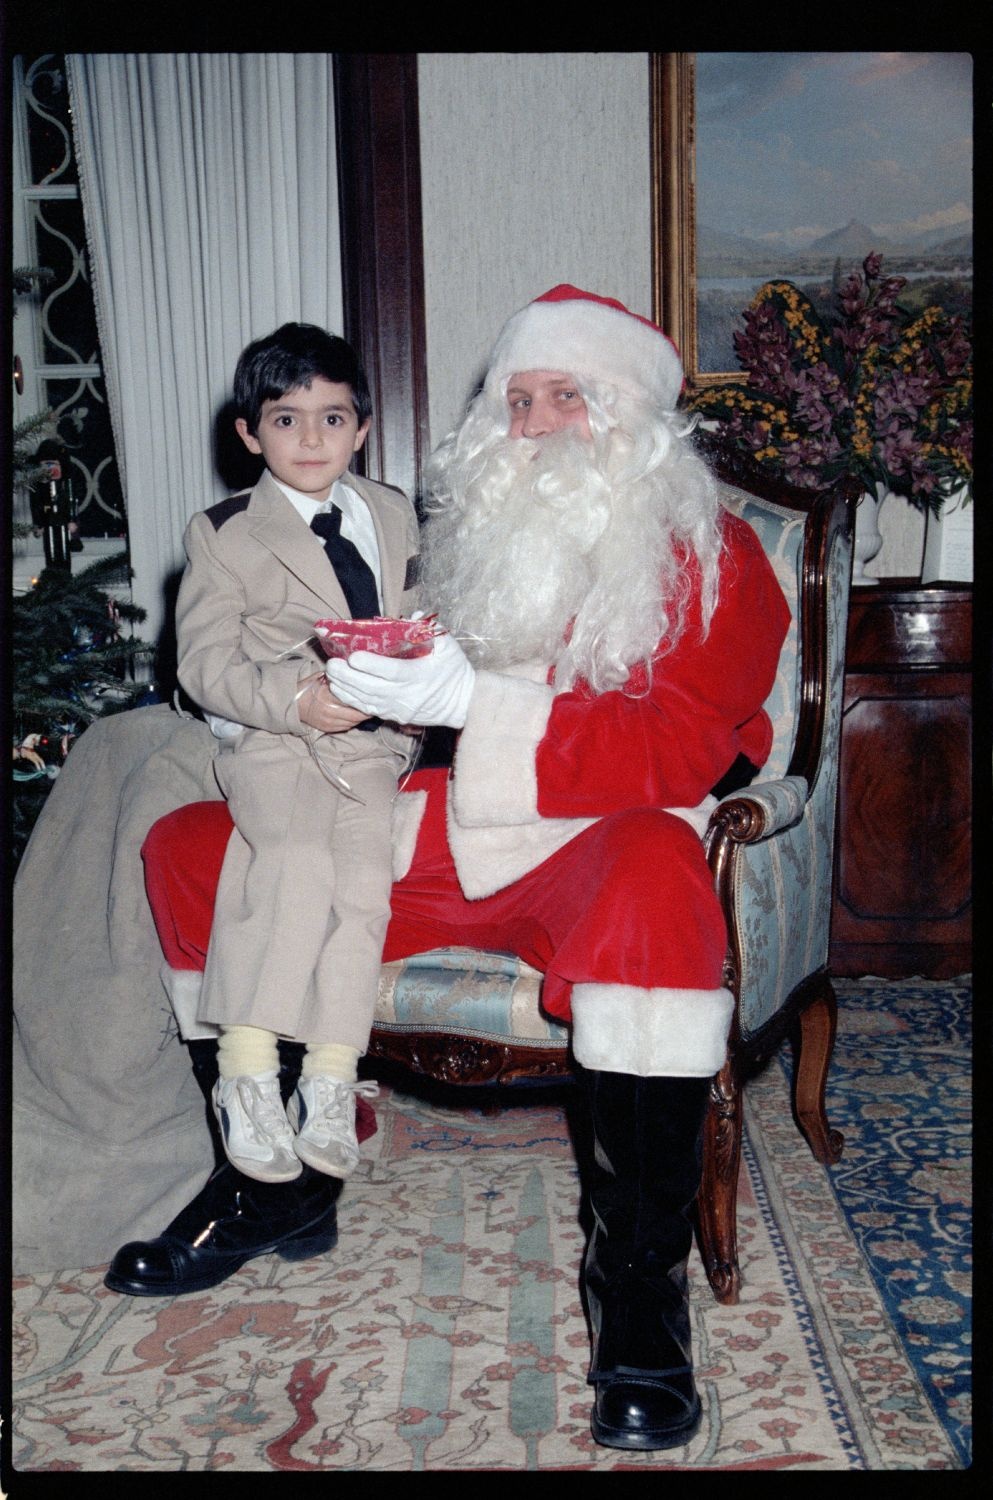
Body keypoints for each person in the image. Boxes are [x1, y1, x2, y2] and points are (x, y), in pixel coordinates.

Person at [106, 286, 790, 1453]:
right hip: (446, 826)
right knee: (191, 852)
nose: (531, 423)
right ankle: (274, 1178)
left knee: (657, 886)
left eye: (563, 396)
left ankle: (635, 1291)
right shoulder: (465, 538)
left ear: (625, 413)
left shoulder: (716, 558)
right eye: (516, 399)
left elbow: (683, 743)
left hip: (596, 835)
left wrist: (479, 700)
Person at [170, 321, 420, 1186]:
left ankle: (329, 1078)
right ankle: (244, 1074)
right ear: (248, 434)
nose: (310, 439)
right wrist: (294, 699)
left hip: (374, 748)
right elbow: (202, 662)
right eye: (285, 419)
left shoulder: (390, 511)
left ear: (361, 427)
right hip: (276, 739)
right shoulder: (224, 532)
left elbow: (424, 617)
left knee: (362, 888)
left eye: (330, 417)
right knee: (295, 860)